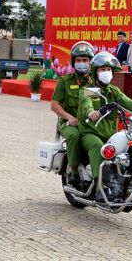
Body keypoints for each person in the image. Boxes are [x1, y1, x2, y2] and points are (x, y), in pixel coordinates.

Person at [77, 52, 132, 201]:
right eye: (102, 70)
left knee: (128, 147)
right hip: (90, 133)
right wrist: (91, 113)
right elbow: (86, 105)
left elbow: (128, 103)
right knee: (98, 146)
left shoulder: (113, 91)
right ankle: (99, 188)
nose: (106, 73)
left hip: (110, 134)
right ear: (95, 72)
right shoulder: (88, 90)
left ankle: (124, 183)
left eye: (109, 69)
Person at [51, 41, 95, 182]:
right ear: (73, 62)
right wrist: (69, 117)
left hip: (91, 124)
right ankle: (73, 171)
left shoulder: (95, 82)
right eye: (78, 60)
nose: (82, 63)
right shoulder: (65, 81)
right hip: (69, 124)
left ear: (90, 62)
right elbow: (54, 104)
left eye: (85, 60)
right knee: (74, 136)